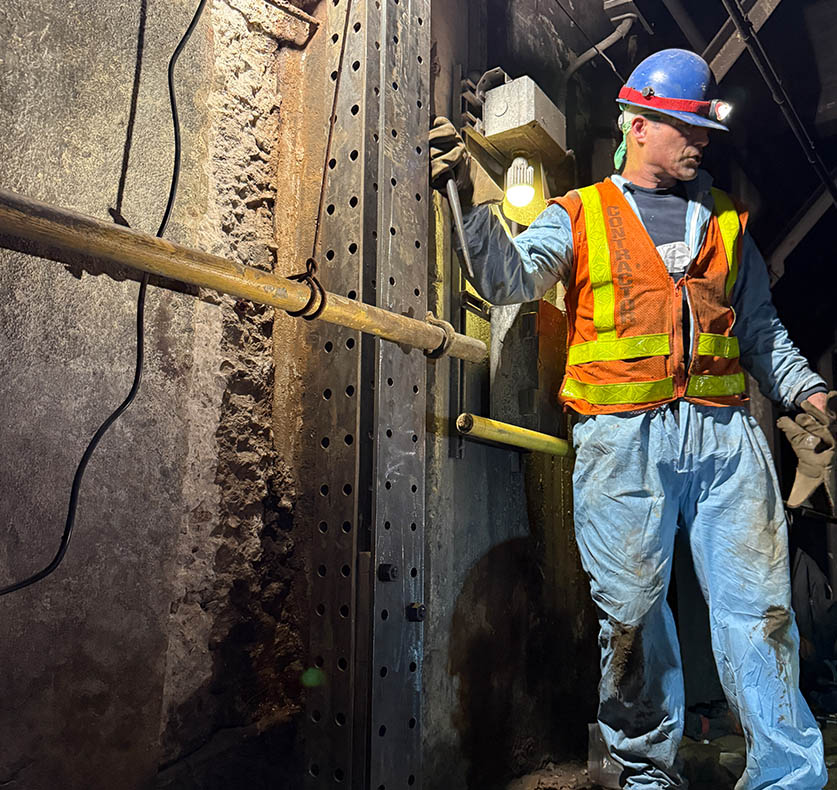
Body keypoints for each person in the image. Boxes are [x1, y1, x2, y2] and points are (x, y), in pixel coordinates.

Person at [430, 48, 836, 789]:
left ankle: (787, 776)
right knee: (631, 618)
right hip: (621, 441)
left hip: (723, 437)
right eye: (684, 127)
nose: (698, 141)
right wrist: (464, 197)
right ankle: (644, 773)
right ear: (638, 122)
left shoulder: (723, 224)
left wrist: (812, 396)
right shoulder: (579, 213)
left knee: (760, 613)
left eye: (701, 129)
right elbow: (505, 276)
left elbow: (760, 332)